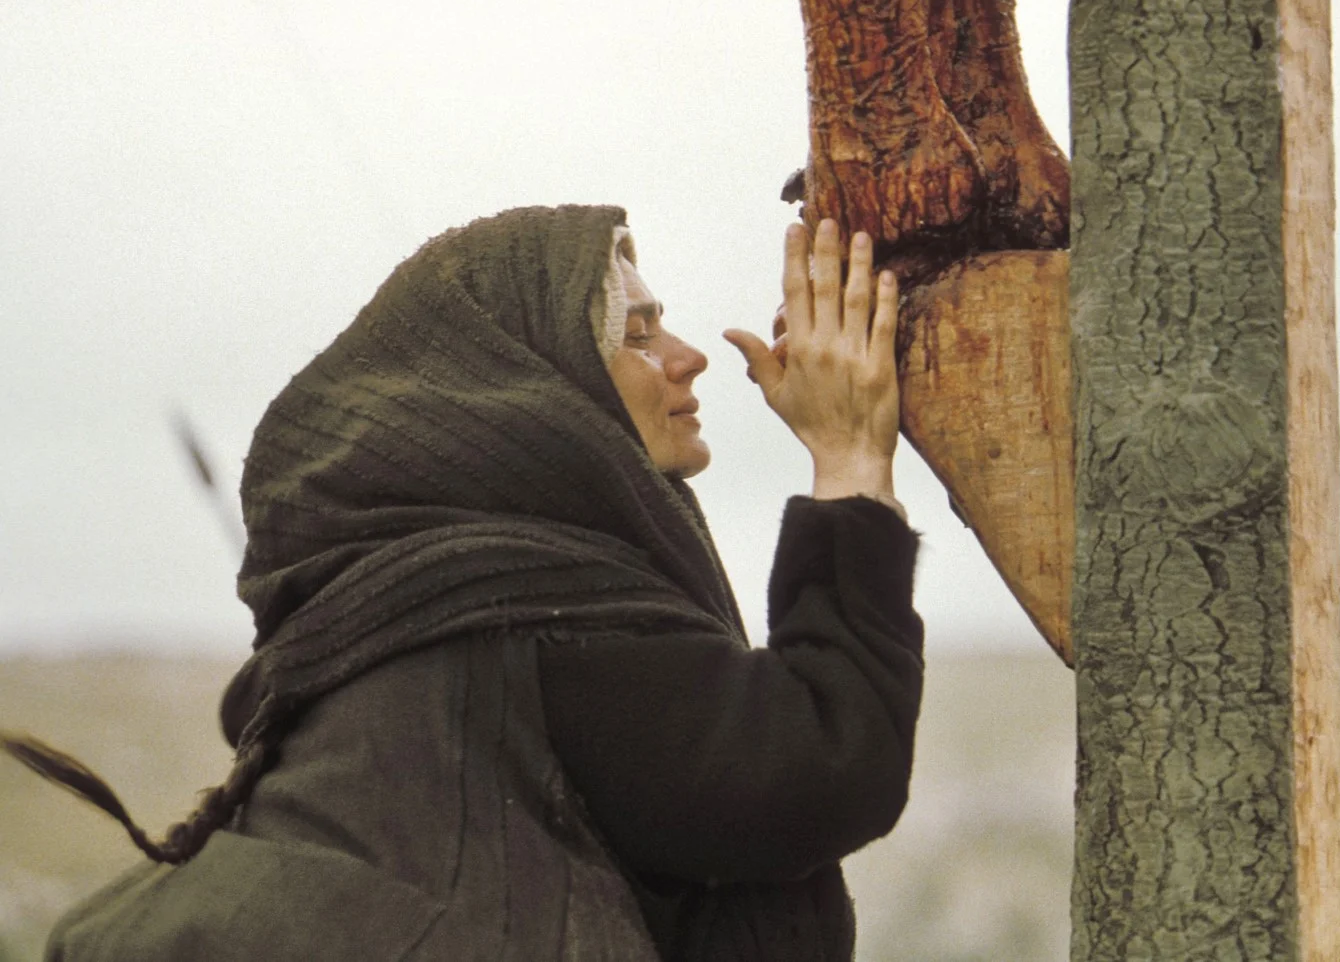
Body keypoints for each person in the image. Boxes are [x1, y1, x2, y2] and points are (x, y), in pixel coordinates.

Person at [5, 205, 923, 961]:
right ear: (537, 387)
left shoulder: (401, 620)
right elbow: (824, 764)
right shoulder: (530, 628)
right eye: (637, 334)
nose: (687, 355)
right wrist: (850, 460)